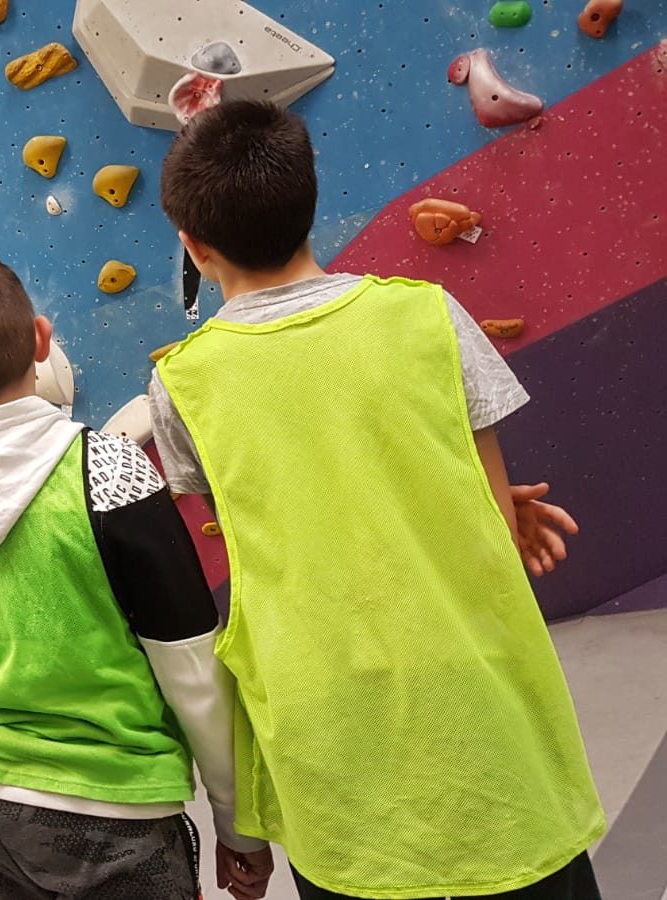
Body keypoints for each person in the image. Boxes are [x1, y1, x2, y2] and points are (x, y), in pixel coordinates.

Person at [148, 99, 602, 900]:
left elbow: (271, 508)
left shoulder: (182, 383)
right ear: (313, 200)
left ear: (193, 243)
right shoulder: (426, 315)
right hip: (480, 711)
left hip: (331, 746)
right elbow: (492, 519)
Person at [0, 253, 268, 900]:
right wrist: (238, 822)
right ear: (41, 341)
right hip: (113, 807)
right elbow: (190, 664)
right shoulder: (110, 474)